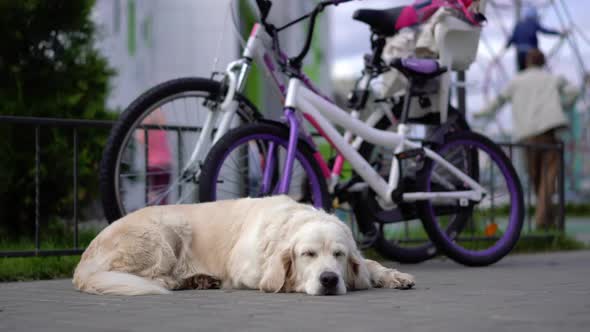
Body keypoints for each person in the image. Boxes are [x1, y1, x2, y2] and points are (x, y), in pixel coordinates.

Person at [474, 49, 587, 228]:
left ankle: (543, 221)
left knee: (535, 177)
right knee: (548, 179)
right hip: (549, 134)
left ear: (527, 62)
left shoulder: (516, 81)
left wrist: (478, 114)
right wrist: (564, 104)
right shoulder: (552, 79)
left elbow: (498, 101)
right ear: (543, 62)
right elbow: (573, 91)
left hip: (526, 136)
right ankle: (547, 220)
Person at [501, 7, 566, 71]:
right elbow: (545, 31)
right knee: (533, 72)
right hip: (531, 53)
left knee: (521, 73)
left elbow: (512, 38)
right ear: (534, 16)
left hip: (520, 53)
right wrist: (559, 33)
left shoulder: (519, 25)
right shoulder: (534, 23)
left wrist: (506, 47)